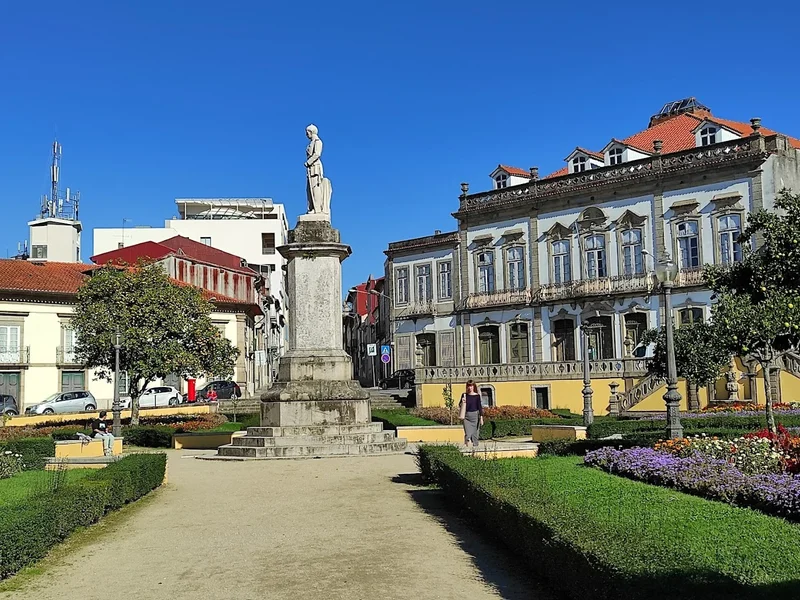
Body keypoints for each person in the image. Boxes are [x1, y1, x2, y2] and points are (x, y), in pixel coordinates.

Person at [459, 380, 484, 448]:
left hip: (475, 415)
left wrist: (481, 418)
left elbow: (479, 407)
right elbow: (460, 405)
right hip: (466, 416)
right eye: (468, 386)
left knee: (475, 432)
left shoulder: (477, 396)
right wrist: (462, 402)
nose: (470, 388)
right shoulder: (464, 395)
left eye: (471, 386)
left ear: (473, 387)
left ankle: (475, 445)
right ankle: (467, 441)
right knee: (468, 432)